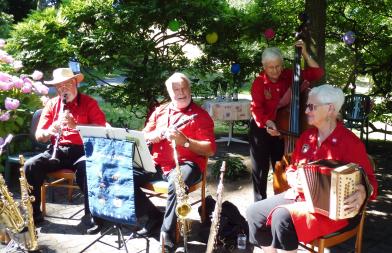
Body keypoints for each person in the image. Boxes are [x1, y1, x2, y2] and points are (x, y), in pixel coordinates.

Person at [246, 84, 378, 253]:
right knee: (254, 213)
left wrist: (363, 192)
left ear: (330, 109)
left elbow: (370, 181)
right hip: (301, 197)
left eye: (311, 106)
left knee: (282, 217)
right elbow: (292, 167)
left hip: (333, 209)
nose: (306, 111)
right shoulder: (307, 137)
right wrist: (292, 176)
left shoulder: (351, 143)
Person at [133, 72, 216, 252]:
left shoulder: (200, 115)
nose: (180, 92)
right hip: (157, 163)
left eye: (184, 88)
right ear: (169, 92)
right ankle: (153, 219)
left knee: (176, 182)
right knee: (125, 176)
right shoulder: (160, 111)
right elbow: (143, 136)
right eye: (175, 89)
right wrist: (153, 135)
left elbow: (210, 149)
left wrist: (185, 141)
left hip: (188, 164)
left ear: (190, 89)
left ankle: (167, 236)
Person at [24, 68, 107, 234]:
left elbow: (101, 129)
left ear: (75, 83)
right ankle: (34, 215)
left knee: (87, 169)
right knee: (31, 165)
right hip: (58, 149)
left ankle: (92, 216)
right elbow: (39, 135)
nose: (63, 89)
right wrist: (50, 131)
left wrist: (75, 126)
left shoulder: (89, 103)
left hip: (84, 149)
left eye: (67, 84)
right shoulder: (52, 104)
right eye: (59, 86)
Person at [249, 40, 324, 201]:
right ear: (264, 66)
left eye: (278, 66)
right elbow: (257, 109)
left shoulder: (290, 75)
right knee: (260, 170)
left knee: (280, 167)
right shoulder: (258, 83)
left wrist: (304, 52)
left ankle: (281, 202)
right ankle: (259, 204)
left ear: (282, 64)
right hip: (262, 127)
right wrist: (268, 123)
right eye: (271, 67)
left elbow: (317, 73)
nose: (275, 70)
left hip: (283, 128)